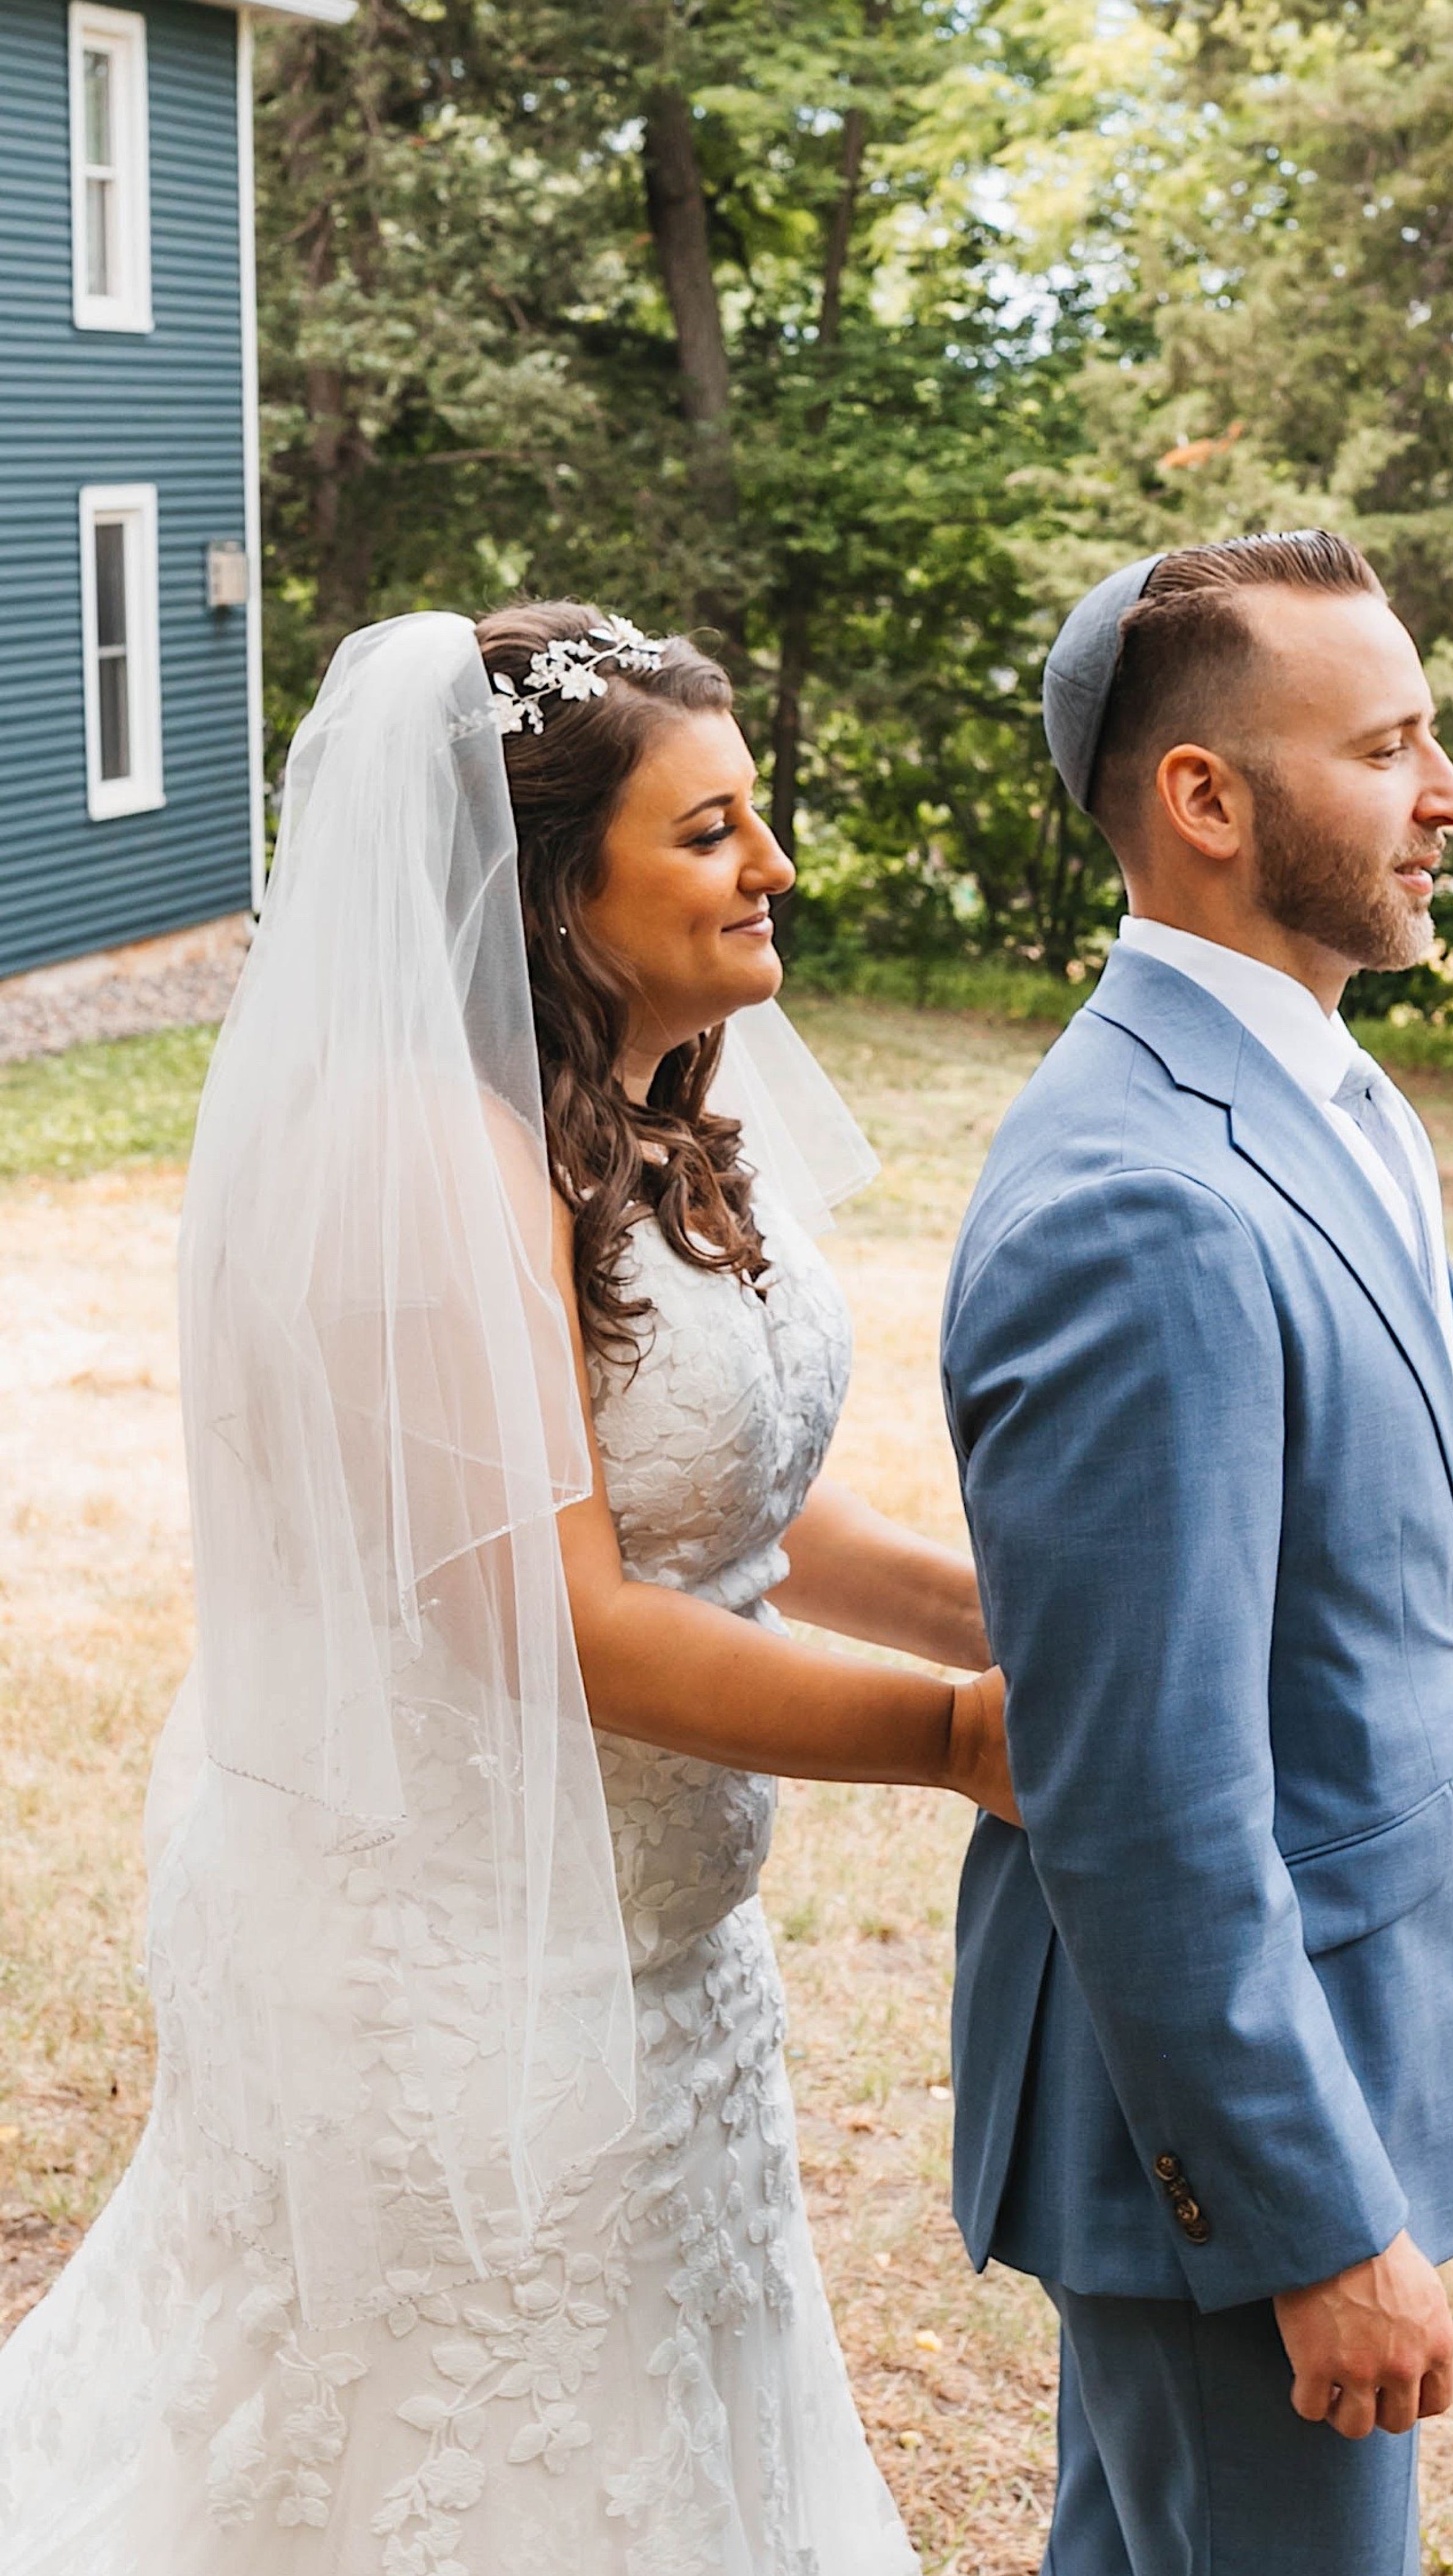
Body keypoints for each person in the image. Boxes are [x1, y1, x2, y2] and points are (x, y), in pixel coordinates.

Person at [0, 604, 1018, 2572]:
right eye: (710, 831)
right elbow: (550, 1615)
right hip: (464, 1983)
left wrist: (1003, 1620)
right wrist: (960, 1734)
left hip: (669, 1962)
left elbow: (732, 1501)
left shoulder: (633, 1124)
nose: (773, 865)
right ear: (553, 892)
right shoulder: (420, 1160)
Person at [939, 531, 1453, 2576]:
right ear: (1204, 800)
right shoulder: (1142, 1200)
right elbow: (1141, 1795)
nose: (1450, 796)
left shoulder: (1329, 1096)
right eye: (1388, 748)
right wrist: (1312, 2220)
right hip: (1233, 2150)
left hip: (1354, 2033)